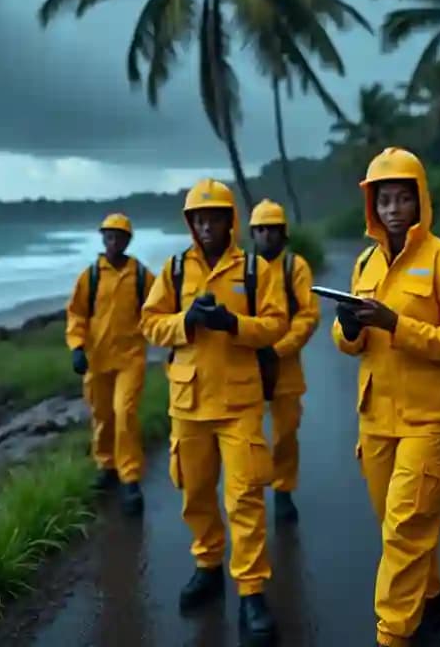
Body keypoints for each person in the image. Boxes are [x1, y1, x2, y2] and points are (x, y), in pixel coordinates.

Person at [333, 147, 440, 647]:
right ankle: (430, 596)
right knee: (398, 526)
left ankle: (392, 634)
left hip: (429, 418)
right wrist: (348, 327)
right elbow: (349, 344)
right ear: (373, 207)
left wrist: (396, 323)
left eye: (402, 199)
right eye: (384, 200)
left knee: (404, 528)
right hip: (375, 417)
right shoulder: (365, 263)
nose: (393, 209)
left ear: (420, 202)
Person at [140, 179, 288, 644]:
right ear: (190, 223)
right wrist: (186, 321)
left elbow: (276, 325)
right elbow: (149, 323)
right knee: (195, 492)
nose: (206, 225)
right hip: (188, 405)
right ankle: (207, 566)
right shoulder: (175, 270)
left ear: (230, 221)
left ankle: (251, 589)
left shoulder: (253, 270)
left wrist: (233, 324)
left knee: (244, 497)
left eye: (214, 217)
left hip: (240, 402)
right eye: (198, 219)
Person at [65, 212, 154, 517]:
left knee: (125, 413)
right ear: (103, 238)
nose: (113, 240)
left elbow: (159, 307)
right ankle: (107, 465)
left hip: (131, 359)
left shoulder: (140, 275)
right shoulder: (90, 276)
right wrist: (77, 347)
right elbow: (76, 314)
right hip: (97, 360)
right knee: (102, 416)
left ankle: (130, 478)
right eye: (109, 235)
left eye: (119, 236)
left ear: (128, 240)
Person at [248, 198, 320, 525]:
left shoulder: (295, 267)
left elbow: (308, 315)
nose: (266, 235)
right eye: (260, 229)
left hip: (285, 364)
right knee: (245, 434)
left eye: (272, 229)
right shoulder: (244, 268)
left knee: (285, 432)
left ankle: (283, 490)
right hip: (247, 366)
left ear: (283, 233)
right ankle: (249, 489)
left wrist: (279, 348)